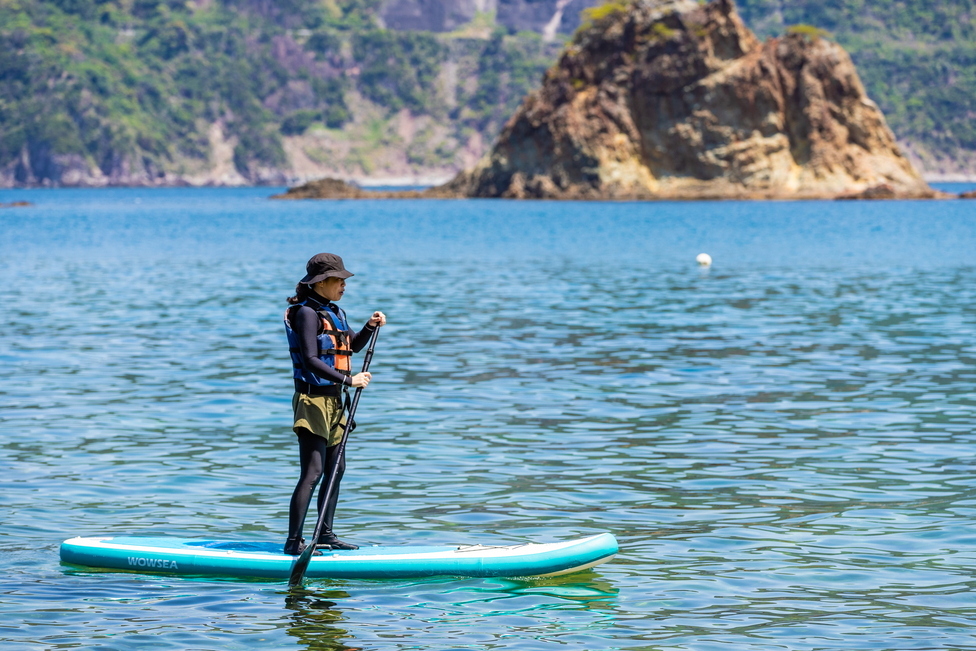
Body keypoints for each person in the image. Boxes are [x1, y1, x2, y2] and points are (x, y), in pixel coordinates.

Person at [283, 253, 386, 555]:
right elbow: (311, 360)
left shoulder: (335, 311)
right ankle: (294, 542)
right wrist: (349, 381)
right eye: (339, 280)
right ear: (321, 283)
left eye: (343, 280)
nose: (343, 285)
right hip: (313, 402)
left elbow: (351, 345)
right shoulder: (306, 313)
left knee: (336, 468)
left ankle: (325, 533)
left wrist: (369, 326)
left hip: (335, 403)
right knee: (313, 472)